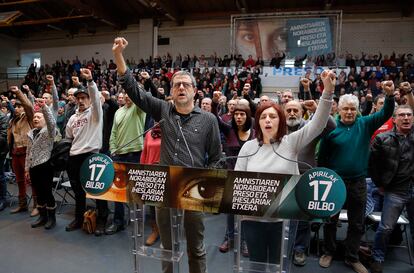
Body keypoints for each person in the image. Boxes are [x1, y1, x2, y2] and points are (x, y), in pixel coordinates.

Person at [113, 37, 222, 273]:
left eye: (186, 84)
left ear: (195, 90)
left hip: (194, 189)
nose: (181, 87)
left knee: (196, 246)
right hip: (163, 187)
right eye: (176, 85)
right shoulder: (163, 109)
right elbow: (133, 89)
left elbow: (216, 158)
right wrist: (119, 56)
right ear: (171, 92)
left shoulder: (209, 120)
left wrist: (207, 187)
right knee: (168, 246)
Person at [235, 69, 335, 271]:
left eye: (273, 116)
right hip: (253, 220)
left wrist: (328, 91)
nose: (268, 120)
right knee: (257, 266)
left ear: (280, 121)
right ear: (258, 122)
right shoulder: (248, 147)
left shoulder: (291, 143)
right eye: (263, 117)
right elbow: (238, 182)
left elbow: (318, 123)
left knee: (279, 266)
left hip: (284, 221)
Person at [318, 81, 396, 273]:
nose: (350, 112)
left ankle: (352, 257)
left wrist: (390, 96)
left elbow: (386, 113)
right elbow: (323, 158)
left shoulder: (365, 123)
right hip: (334, 183)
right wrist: (326, 180)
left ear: (357, 110)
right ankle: (328, 251)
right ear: (340, 110)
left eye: (353, 108)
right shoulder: (331, 129)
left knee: (357, 223)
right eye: (346, 108)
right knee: (330, 221)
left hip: (358, 183)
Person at [369, 105, 414, 273]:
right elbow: (373, 165)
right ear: (394, 119)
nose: (406, 118)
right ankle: (377, 258)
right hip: (395, 191)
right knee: (386, 228)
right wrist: (380, 184)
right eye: (401, 115)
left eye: (409, 115)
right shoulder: (382, 139)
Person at [65, 68, 103, 232]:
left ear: (89, 100)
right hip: (74, 157)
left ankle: (101, 221)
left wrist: (90, 82)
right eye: (78, 98)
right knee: (78, 192)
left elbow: (95, 97)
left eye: (83, 98)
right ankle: (78, 219)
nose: (81, 101)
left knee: (98, 191)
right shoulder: (72, 118)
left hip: (91, 156)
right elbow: (68, 137)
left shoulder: (95, 113)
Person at [107, 92, 146, 235]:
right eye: (126, 94)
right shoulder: (118, 111)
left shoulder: (138, 108)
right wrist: (112, 149)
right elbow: (114, 133)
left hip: (136, 154)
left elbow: (142, 97)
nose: (128, 96)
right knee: (118, 191)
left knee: (136, 191)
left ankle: (139, 224)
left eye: (131, 94)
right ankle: (118, 222)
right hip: (119, 155)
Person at [25, 98, 58, 229]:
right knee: (38, 193)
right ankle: (42, 217)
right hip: (33, 167)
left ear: (44, 119)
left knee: (47, 192)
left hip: (45, 166)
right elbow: (28, 152)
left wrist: (44, 107)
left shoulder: (49, 132)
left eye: (39, 117)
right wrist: (27, 169)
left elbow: (52, 122)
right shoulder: (31, 133)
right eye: (34, 117)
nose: (36, 119)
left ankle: (52, 219)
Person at [7, 86, 36, 215]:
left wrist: (18, 92)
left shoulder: (28, 117)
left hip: (27, 152)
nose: (17, 108)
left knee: (31, 179)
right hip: (15, 152)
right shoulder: (12, 121)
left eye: (19, 106)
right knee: (19, 180)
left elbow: (29, 106)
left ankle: (37, 206)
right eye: (16, 107)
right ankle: (22, 205)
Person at [140, 123, 162, 246]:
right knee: (152, 205)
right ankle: (155, 230)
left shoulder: (172, 133)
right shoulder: (149, 133)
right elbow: (144, 153)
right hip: (150, 172)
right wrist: (142, 170)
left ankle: (166, 231)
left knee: (165, 205)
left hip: (165, 172)